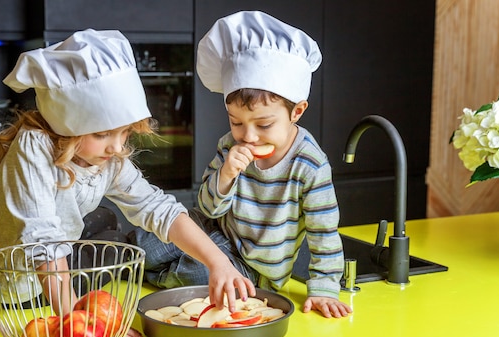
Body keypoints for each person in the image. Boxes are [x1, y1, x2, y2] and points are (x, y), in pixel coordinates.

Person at [0, 29, 256, 337]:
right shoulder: (33, 146)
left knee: (108, 223)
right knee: (111, 238)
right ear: (68, 126)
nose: (117, 147)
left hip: (53, 258)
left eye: (124, 133)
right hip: (15, 283)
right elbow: (44, 240)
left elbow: (157, 207)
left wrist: (218, 262)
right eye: (103, 135)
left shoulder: (110, 158)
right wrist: (78, 327)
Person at [133, 11, 352, 318]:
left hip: (252, 269)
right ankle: (125, 249)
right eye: (236, 122)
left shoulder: (310, 166)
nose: (248, 136)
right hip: (215, 230)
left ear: (297, 111)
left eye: (263, 125)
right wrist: (226, 175)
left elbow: (324, 233)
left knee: (198, 275)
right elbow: (207, 209)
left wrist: (325, 289)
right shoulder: (229, 145)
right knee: (153, 243)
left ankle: (152, 275)